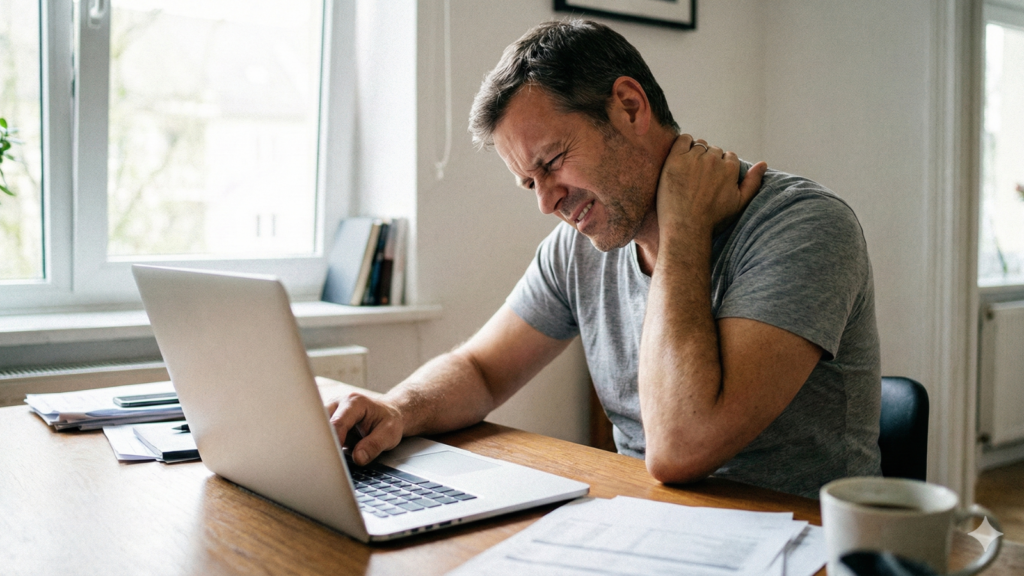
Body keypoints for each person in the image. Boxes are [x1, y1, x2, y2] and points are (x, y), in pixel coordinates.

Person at [327, 19, 881, 498]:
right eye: (529, 183)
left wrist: (682, 227)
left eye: (552, 162)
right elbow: (481, 369)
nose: (546, 203)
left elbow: (680, 448)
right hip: (648, 528)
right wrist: (399, 408)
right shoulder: (579, 248)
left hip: (808, 547)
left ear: (629, 106)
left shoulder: (804, 227)